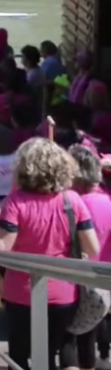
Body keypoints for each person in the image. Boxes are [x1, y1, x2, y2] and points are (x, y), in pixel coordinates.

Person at [0, 138, 100, 370]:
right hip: (64, 294)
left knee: (18, 357)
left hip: (22, 294)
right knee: (48, 356)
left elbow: (1, 248)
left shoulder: (16, 202)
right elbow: (92, 249)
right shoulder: (71, 200)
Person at [69, 145, 111, 370]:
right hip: (104, 279)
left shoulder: (73, 203)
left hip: (76, 280)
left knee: (75, 340)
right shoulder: (108, 201)